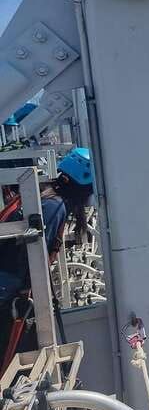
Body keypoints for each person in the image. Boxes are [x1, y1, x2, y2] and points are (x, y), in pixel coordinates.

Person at [0, 147, 95, 357]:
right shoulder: (55, 206)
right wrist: (25, 292)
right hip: (7, 285)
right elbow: (31, 253)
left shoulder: (47, 196)